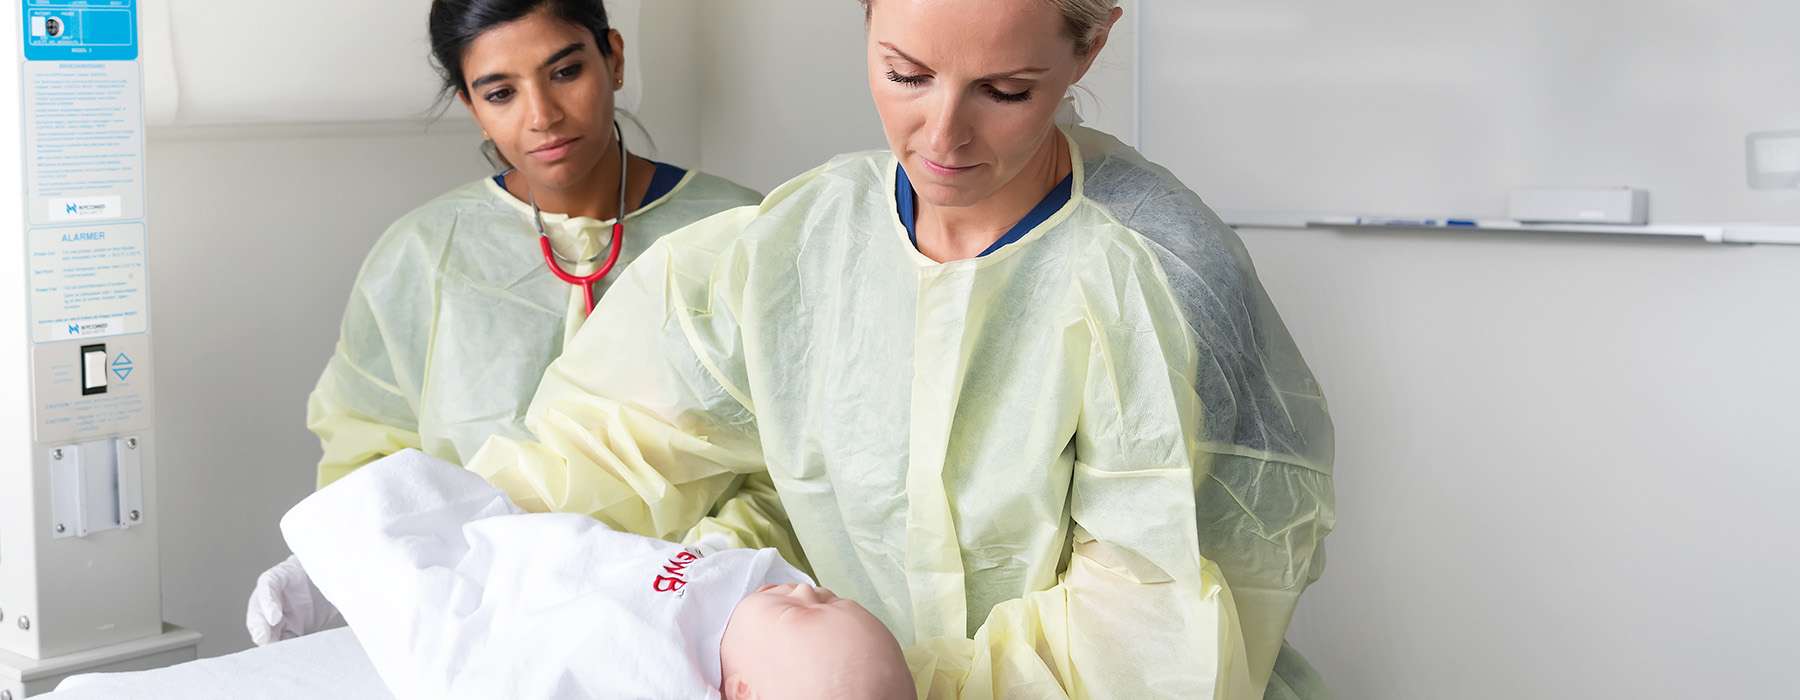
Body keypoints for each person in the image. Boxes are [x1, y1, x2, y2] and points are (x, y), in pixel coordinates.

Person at [465, 0, 1337, 698]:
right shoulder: (797, 243)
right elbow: (601, 453)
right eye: (906, 75)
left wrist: (861, 684)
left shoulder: (1159, 276)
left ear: (1090, 47)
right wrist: (449, 549)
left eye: (1006, 91)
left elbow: (1150, 635)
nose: (942, 137)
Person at [247, 0, 789, 647]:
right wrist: (338, 559)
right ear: (470, 104)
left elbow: (792, 459)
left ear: (613, 58)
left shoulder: (740, 232)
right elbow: (373, 458)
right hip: (484, 623)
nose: (542, 116)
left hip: (704, 620)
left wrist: (685, 579)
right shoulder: (422, 257)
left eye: (565, 72)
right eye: (500, 92)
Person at [283, 451, 914, 700]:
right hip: (553, 549)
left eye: (798, 612)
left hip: (532, 598)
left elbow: (570, 656)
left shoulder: (660, 670)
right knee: (482, 522)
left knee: (425, 598)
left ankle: (341, 562)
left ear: (741, 691)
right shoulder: (747, 591)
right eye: (829, 596)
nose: (804, 588)